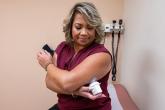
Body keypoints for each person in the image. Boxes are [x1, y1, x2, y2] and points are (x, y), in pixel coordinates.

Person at [37, 2, 112, 110]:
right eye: (78, 27)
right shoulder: (63, 48)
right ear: (70, 27)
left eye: (90, 28)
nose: (84, 33)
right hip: (63, 107)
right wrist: (75, 91)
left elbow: (67, 83)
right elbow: (49, 81)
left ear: (96, 29)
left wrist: (47, 64)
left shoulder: (102, 56)